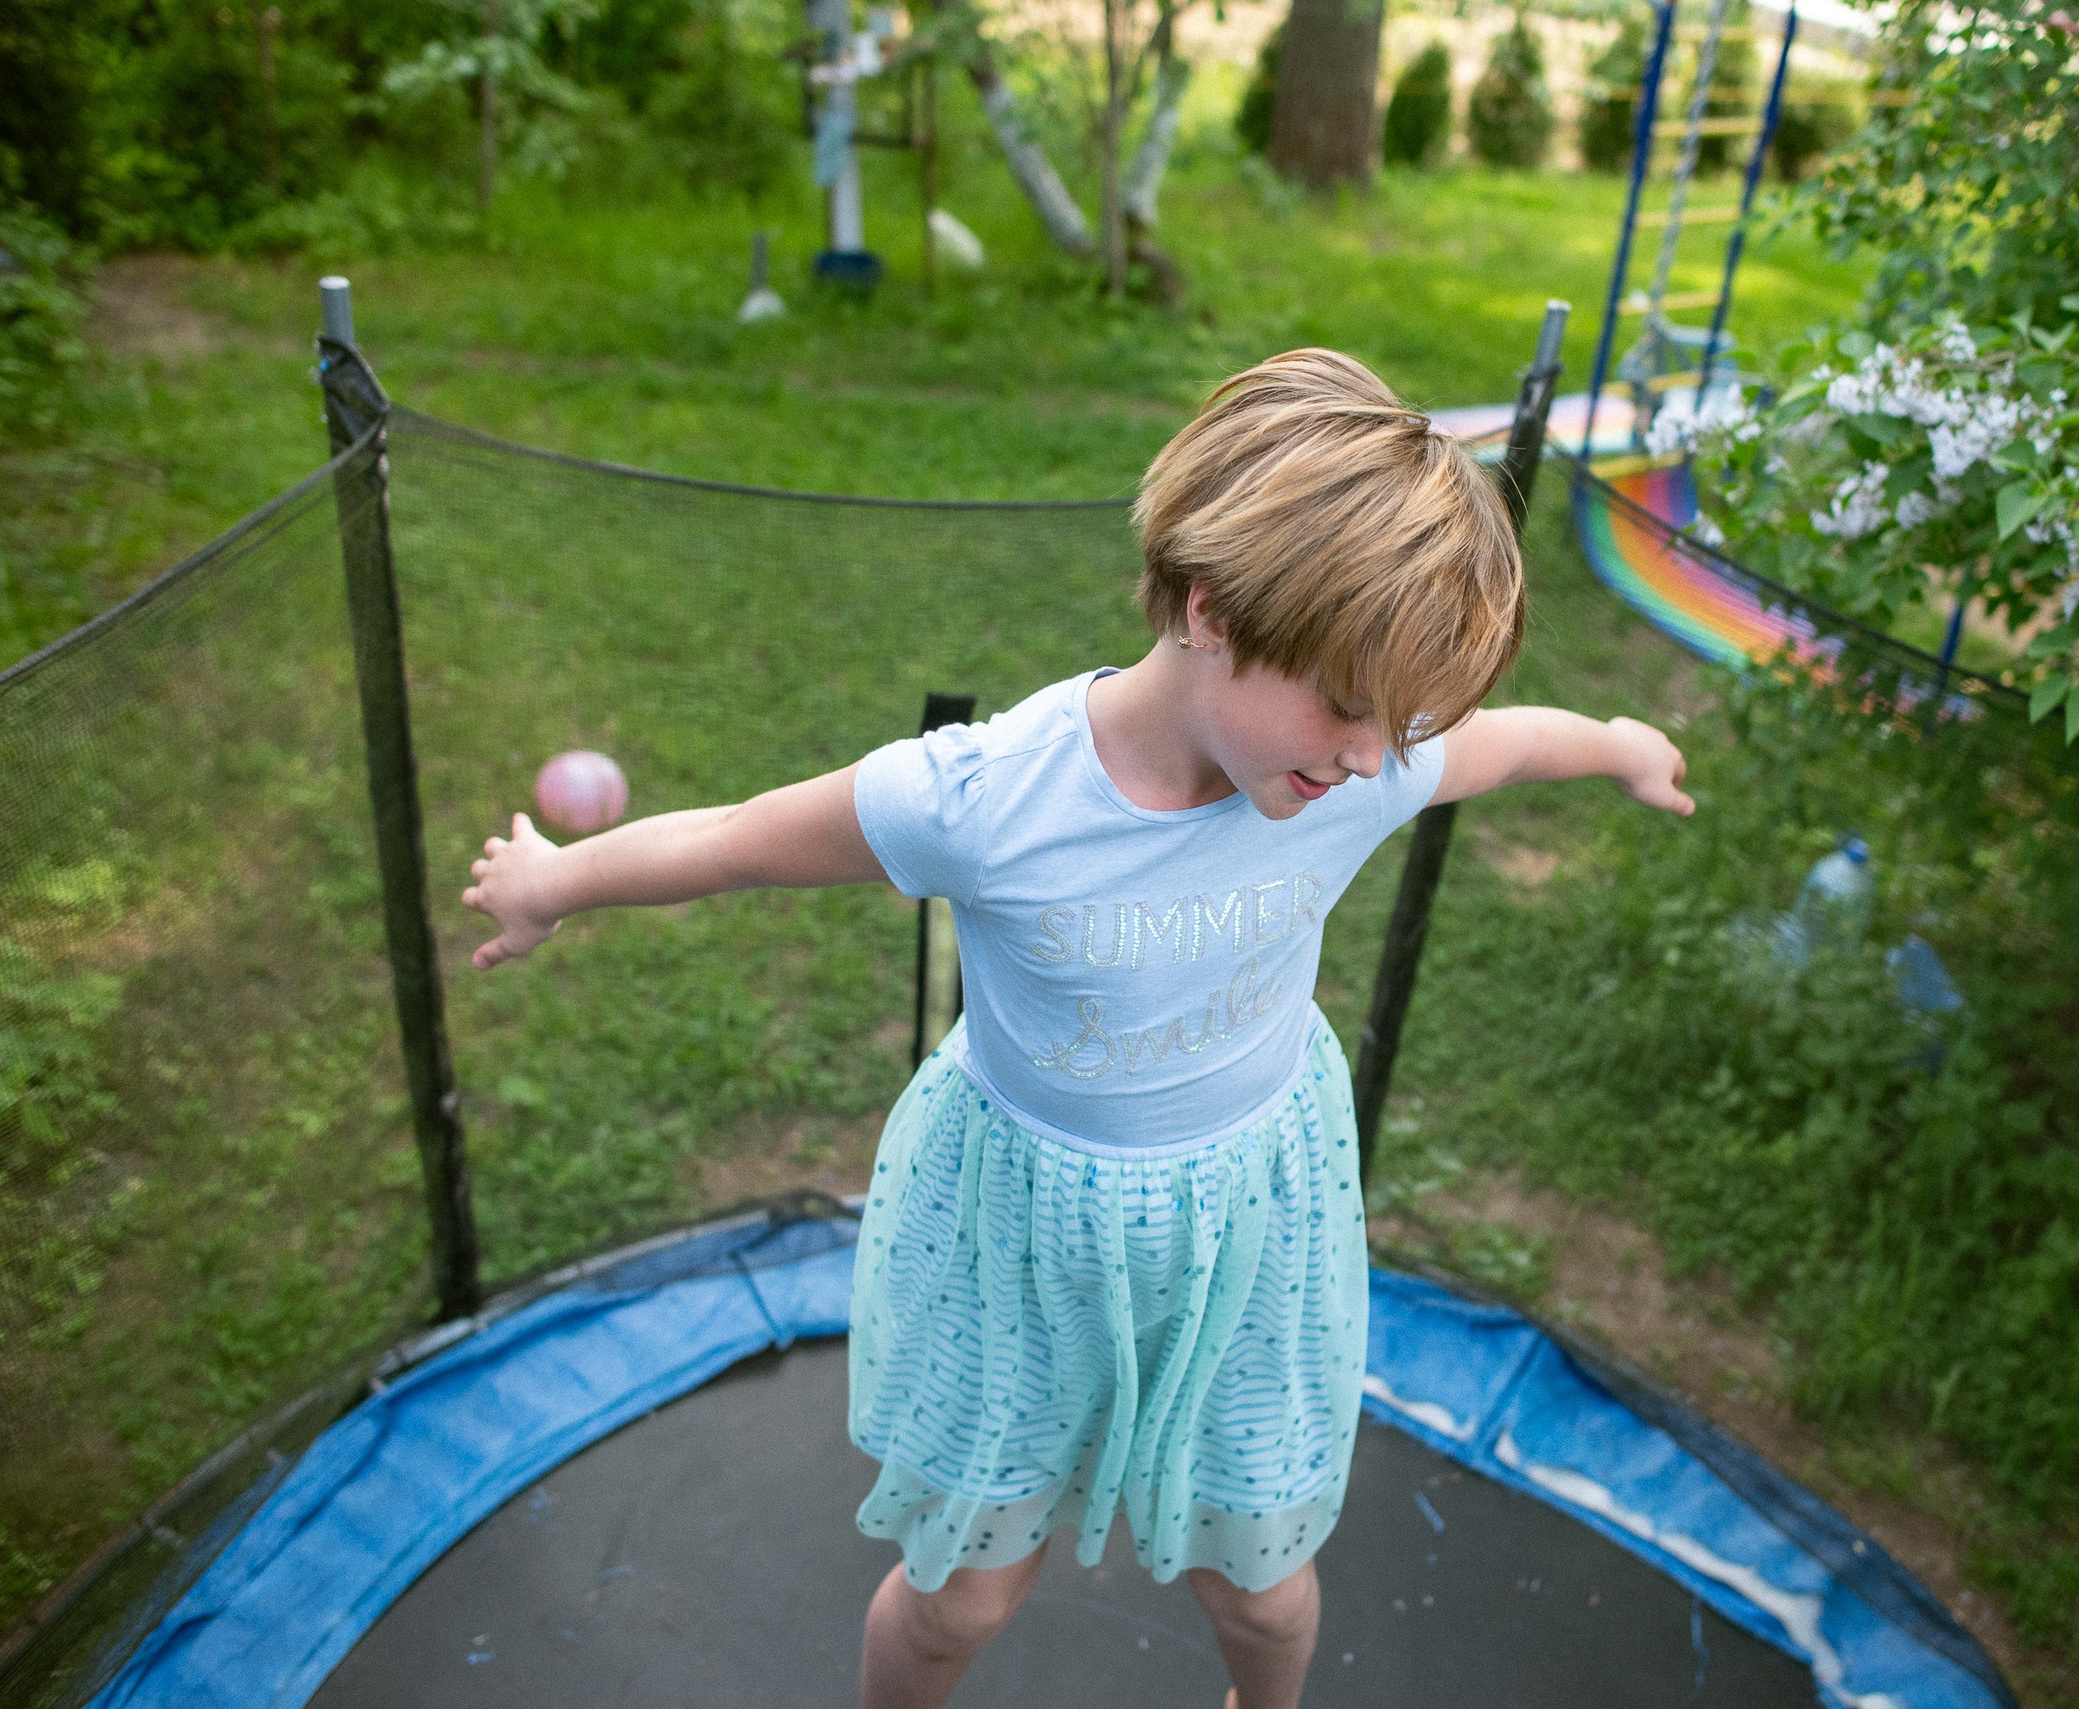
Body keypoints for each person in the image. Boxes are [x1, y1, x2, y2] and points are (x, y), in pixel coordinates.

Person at [460, 348, 1694, 1709]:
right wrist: (556, 881)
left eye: (1398, 726)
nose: (1365, 757)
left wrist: (1623, 739)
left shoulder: (1361, 764)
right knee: (959, 1600)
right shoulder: (988, 799)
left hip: (1250, 1222)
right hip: (1025, 1230)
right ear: (1211, 610)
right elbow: (744, 841)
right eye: (1349, 709)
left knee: (1267, 1591)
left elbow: (1508, 744)